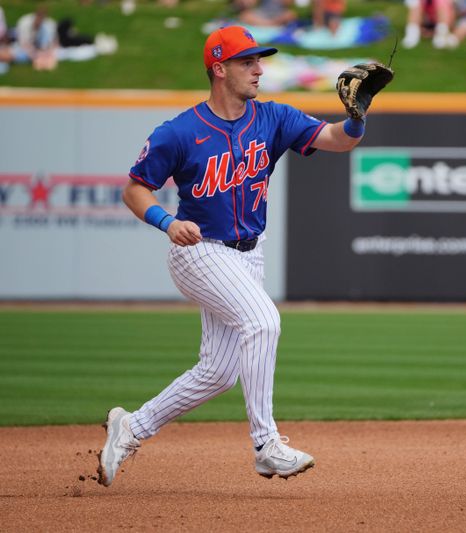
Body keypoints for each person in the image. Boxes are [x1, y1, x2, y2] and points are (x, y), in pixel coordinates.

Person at [97, 25, 390, 487]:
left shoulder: (272, 117)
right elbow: (136, 189)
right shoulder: (180, 132)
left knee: (217, 373)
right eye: (247, 61)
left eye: (259, 60)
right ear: (219, 69)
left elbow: (338, 139)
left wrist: (357, 117)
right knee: (263, 321)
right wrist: (166, 223)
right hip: (199, 250)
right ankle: (266, 445)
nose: (259, 68)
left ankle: (131, 427)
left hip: (249, 255)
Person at [232, 0, 297, 27]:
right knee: (245, 15)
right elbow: (251, 3)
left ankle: (268, 25)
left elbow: (289, 3)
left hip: (279, 15)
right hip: (262, 14)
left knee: (290, 15)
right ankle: (269, 25)